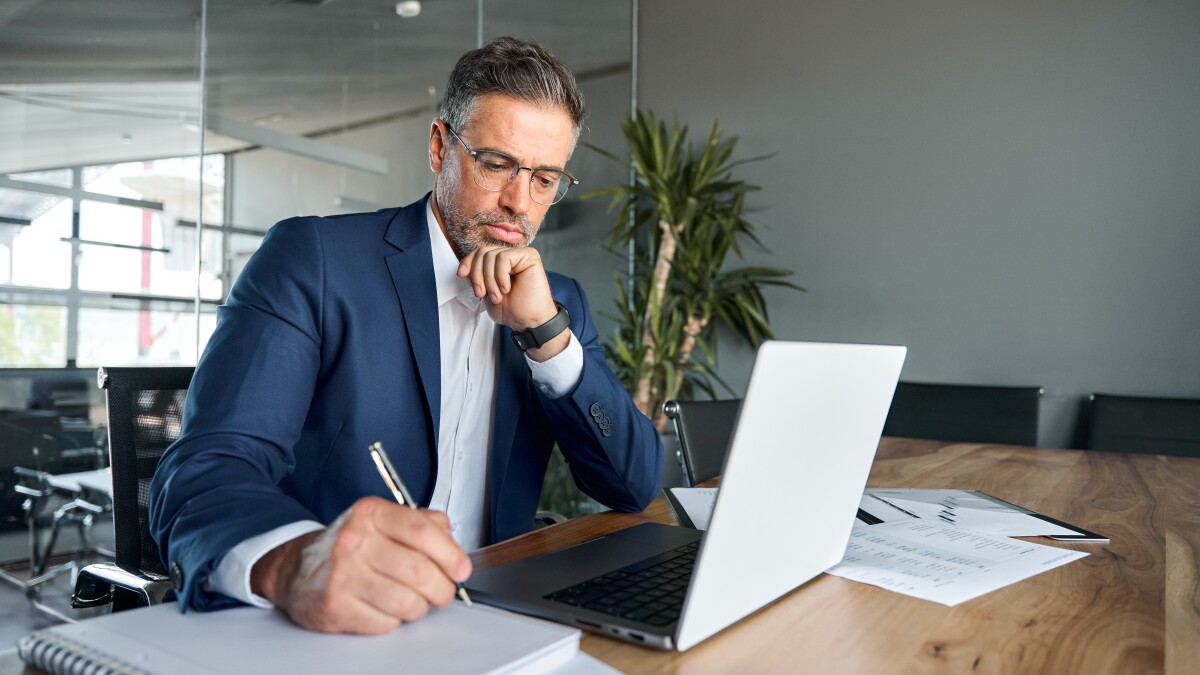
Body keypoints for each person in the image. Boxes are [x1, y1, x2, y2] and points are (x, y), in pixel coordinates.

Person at [148, 37, 663, 634]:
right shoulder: (313, 260)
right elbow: (204, 469)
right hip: (337, 624)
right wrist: (294, 561)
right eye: (496, 164)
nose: (518, 202)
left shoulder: (557, 300)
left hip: (496, 616)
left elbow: (631, 485)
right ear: (440, 146)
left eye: (545, 179)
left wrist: (546, 336)